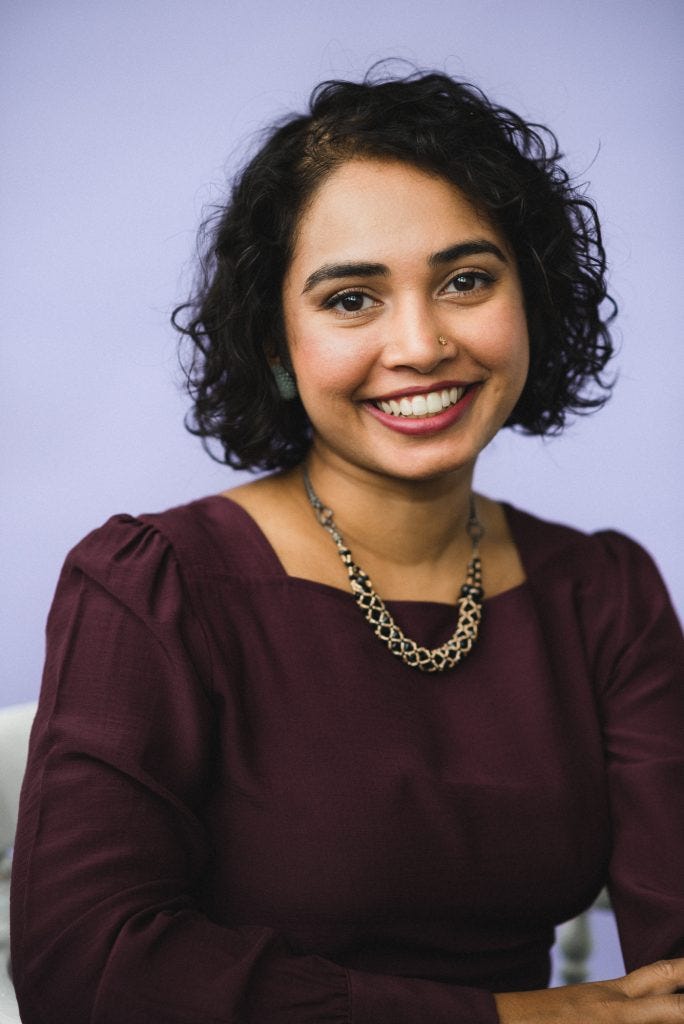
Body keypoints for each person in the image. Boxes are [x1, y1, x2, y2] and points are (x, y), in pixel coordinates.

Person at [11, 66, 684, 1024]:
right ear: (277, 343)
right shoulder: (154, 589)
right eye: (351, 299)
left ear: (529, 297)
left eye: (465, 280)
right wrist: (523, 1017)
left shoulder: (602, 593)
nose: (419, 344)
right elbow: (91, 975)